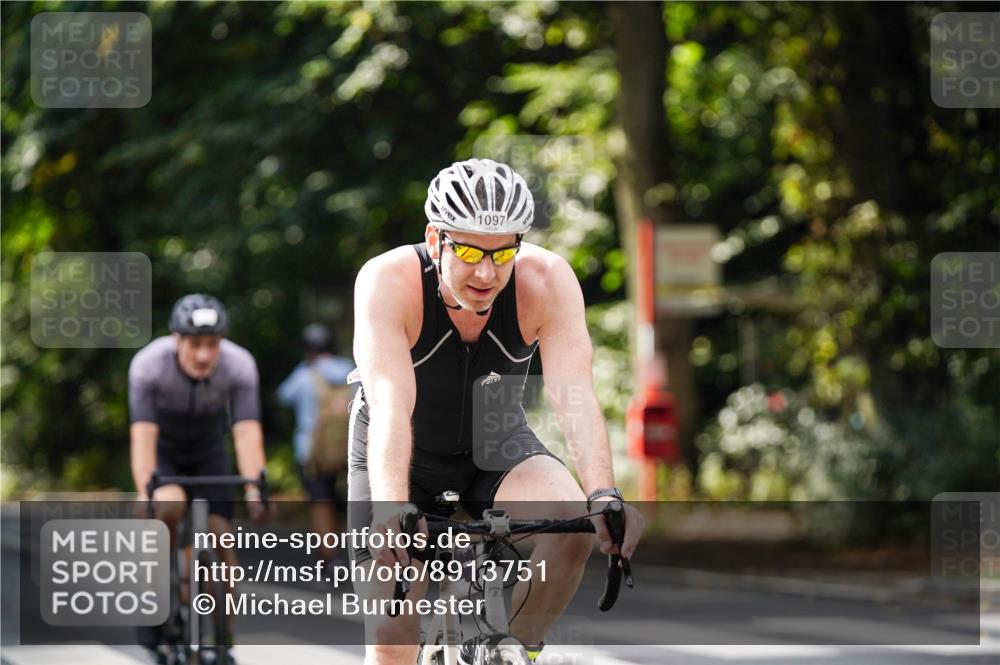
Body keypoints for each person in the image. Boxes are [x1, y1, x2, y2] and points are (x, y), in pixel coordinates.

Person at [350, 158, 645, 665]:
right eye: (467, 250)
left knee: (573, 525)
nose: (487, 272)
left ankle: (516, 651)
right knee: (393, 627)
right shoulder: (389, 282)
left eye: (504, 251)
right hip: (401, 454)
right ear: (435, 239)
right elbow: (391, 405)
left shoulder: (547, 281)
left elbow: (573, 393)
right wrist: (391, 510)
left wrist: (604, 493)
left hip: (495, 443)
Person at [129, 293, 267, 662]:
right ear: (176, 340)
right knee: (168, 504)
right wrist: (147, 490)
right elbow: (143, 437)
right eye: (195, 345)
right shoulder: (148, 365)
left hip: (209, 454)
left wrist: (255, 487)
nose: (204, 355)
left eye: (212, 344)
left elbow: (246, 432)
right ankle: (158, 593)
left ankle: (223, 640)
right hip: (165, 454)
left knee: (223, 540)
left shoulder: (239, 365)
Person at [276, 323, 355, 562]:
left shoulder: (304, 375)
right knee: (343, 496)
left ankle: (329, 556)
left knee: (320, 500)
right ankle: (350, 548)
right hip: (349, 448)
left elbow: (283, 396)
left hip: (313, 453)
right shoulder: (349, 369)